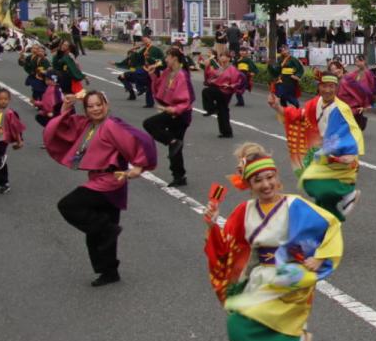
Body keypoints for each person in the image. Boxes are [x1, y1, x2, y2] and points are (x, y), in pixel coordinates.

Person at [203, 144, 342, 341]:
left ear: (277, 177)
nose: (265, 184)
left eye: (269, 177)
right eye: (258, 180)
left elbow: (330, 226)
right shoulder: (245, 211)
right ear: (249, 184)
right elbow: (231, 246)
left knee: (240, 329)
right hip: (257, 279)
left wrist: (321, 256)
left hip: (287, 278)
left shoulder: (295, 206)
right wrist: (211, 223)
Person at [46, 90, 157, 285]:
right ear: (86, 110)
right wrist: (66, 106)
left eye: (99, 104)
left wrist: (139, 165)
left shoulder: (112, 125)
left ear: (106, 105)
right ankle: (109, 272)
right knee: (98, 232)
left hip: (110, 181)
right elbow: (62, 128)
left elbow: (139, 139)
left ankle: (107, 231)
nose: (96, 109)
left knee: (69, 206)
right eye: (91, 106)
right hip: (98, 179)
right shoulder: (87, 125)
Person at [270, 73, 364, 221]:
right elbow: (297, 115)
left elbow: (352, 132)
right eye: (324, 86)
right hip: (323, 153)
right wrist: (277, 107)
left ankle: (347, 192)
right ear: (319, 87)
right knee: (321, 198)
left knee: (310, 182)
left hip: (340, 155)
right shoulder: (315, 103)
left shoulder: (341, 109)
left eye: (331, 87)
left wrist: (352, 152)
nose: (328, 90)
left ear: (336, 88)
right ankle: (330, 224)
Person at [142, 47, 194, 188]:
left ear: (174, 58)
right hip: (169, 110)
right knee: (174, 146)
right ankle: (179, 174)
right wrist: (153, 75)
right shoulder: (168, 72)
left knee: (149, 123)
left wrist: (175, 109)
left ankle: (178, 174)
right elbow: (159, 87)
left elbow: (187, 99)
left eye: (168, 57)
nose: (165, 60)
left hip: (180, 114)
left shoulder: (182, 75)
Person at [203, 50, 242, 138]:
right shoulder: (219, 68)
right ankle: (226, 132)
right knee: (222, 111)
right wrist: (207, 66)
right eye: (221, 56)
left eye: (225, 56)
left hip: (225, 91)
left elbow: (238, 81)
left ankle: (211, 109)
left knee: (208, 92)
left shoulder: (232, 69)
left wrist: (230, 85)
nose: (222, 58)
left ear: (229, 58)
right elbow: (210, 76)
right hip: (218, 89)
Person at [268, 43, 304, 109]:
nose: (283, 51)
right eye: (282, 50)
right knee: (281, 94)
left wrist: (296, 76)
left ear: (288, 50)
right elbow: (277, 71)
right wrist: (269, 65)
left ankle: (296, 105)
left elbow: (300, 69)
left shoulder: (293, 59)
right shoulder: (280, 60)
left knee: (288, 95)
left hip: (290, 80)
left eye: (285, 49)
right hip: (282, 79)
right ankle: (284, 109)